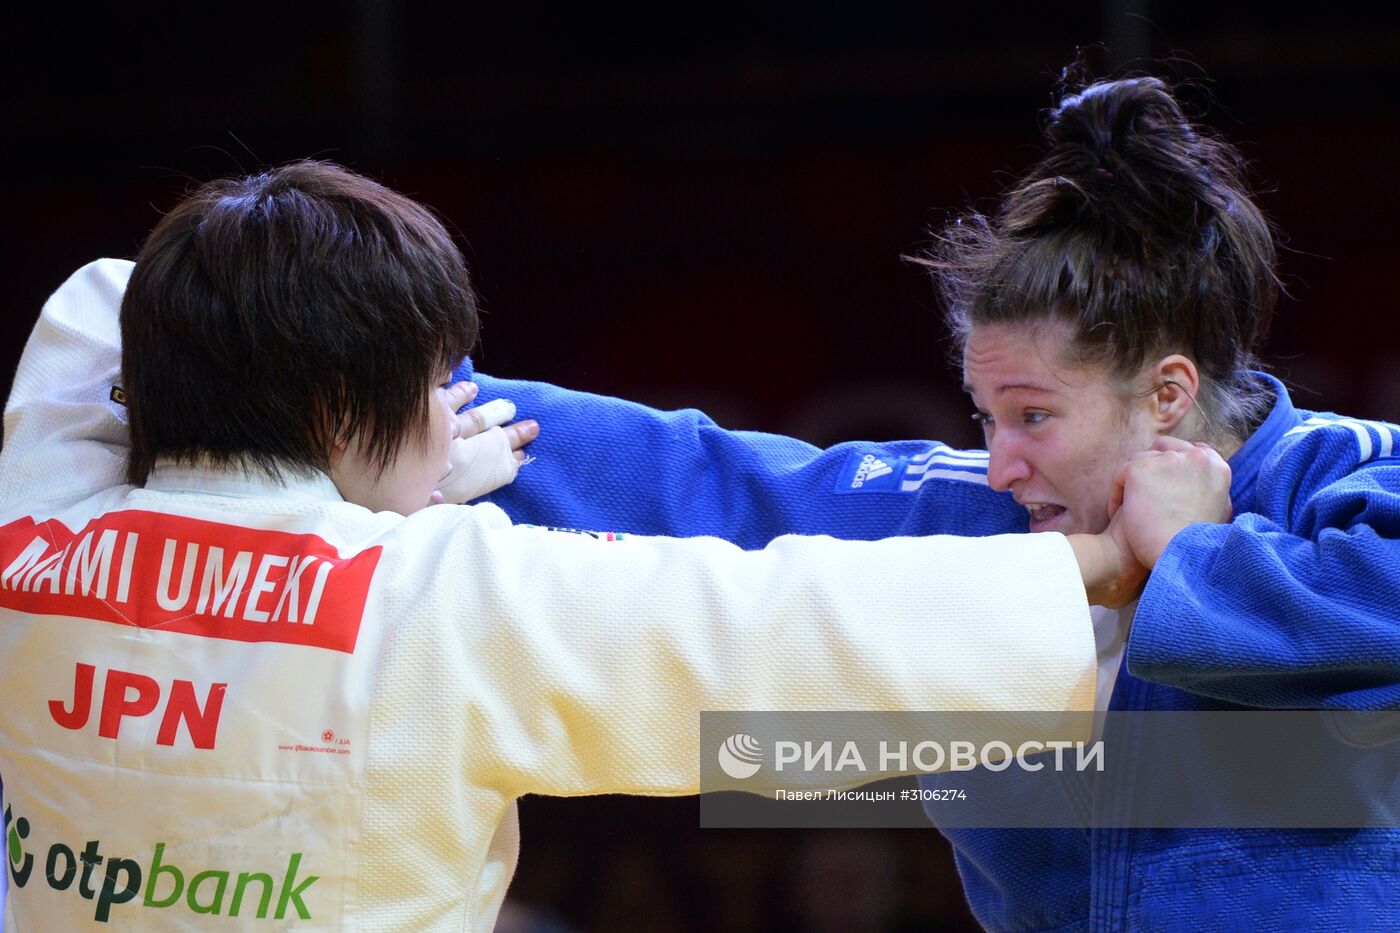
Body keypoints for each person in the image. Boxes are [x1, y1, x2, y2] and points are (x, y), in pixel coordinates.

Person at [0, 162, 1225, 930]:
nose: (457, 411)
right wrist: (1118, 562)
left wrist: (358, 459)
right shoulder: (443, 598)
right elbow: (788, 630)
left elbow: (107, 298)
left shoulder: (34, 532)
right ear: (333, 405)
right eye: (435, 386)